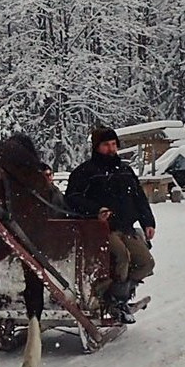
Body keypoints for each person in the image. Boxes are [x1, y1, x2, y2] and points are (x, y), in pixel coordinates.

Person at [65, 126, 156, 324]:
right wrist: (95, 210)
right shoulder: (84, 172)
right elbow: (72, 198)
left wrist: (148, 222)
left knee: (146, 262)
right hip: (99, 230)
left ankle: (118, 292)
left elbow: (139, 198)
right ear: (97, 147)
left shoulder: (125, 170)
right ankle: (116, 301)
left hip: (126, 228)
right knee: (121, 257)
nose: (111, 148)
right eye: (106, 145)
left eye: (114, 144)